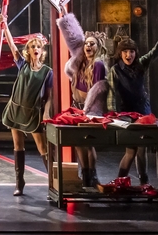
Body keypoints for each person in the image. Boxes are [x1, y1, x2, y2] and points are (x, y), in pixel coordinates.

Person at [108, 21, 158, 184]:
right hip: (127, 113)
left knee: (142, 149)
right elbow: (111, 93)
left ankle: (144, 182)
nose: (129, 55)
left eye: (131, 51)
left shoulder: (140, 64)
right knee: (131, 150)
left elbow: (156, 50)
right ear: (120, 53)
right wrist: (112, 113)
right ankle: (120, 181)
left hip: (143, 111)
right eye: (125, 51)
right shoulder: (115, 70)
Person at [0, 16, 52, 196]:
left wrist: (46, 113)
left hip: (33, 113)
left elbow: (49, 97)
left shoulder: (47, 72)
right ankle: (19, 182)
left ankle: (54, 182)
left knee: (43, 148)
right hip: (16, 110)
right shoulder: (23, 65)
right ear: (28, 50)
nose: (35, 48)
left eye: (38, 46)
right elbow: (12, 45)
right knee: (18, 145)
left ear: (42, 50)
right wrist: (5, 25)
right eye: (32, 46)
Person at [57, 10, 110, 187]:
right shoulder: (80, 64)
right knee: (77, 142)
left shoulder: (98, 65)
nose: (88, 46)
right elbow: (73, 39)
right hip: (78, 108)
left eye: (92, 44)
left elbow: (97, 91)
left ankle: (92, 175)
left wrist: (89, 112)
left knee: (88, 143)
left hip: (91, 110)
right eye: (86, 43)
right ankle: (85, 174)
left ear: (98, 47)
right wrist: (64, 16)